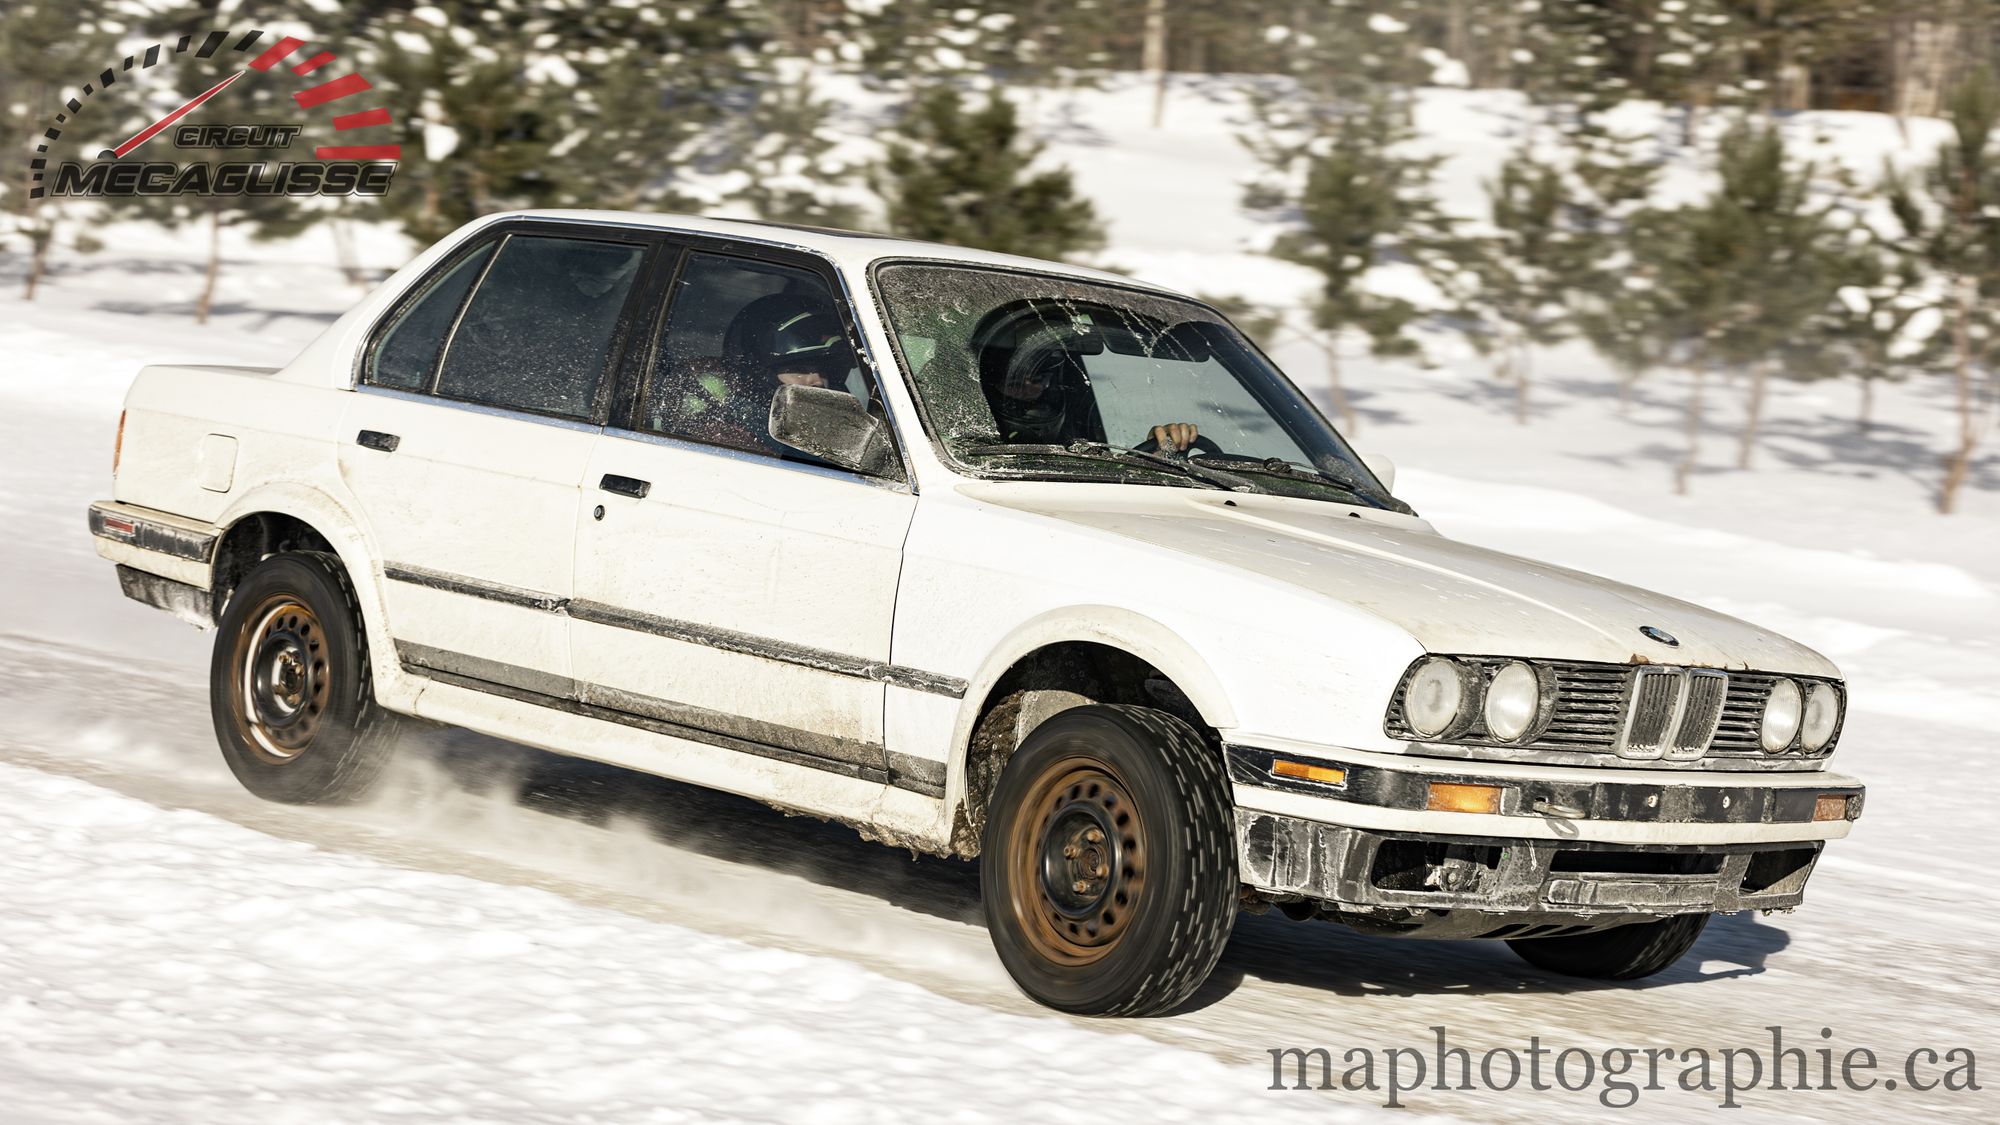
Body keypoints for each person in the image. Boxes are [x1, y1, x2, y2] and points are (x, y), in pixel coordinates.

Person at [979, 320, 1200, 452]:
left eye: (1039, 380)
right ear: (990, 385)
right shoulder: (974, 448)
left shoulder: (1074, 436)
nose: (1029, 389)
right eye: (1016, 383)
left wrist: (1157, 454)